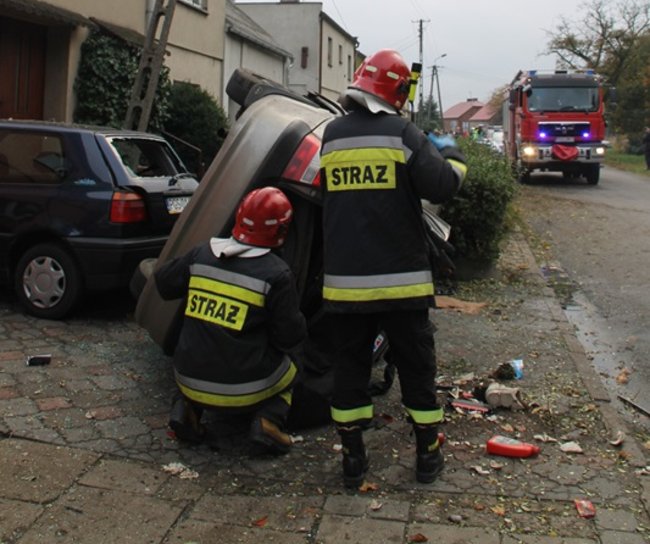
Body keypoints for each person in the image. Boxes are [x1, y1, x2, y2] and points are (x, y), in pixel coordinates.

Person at [319, 49, 467, 489]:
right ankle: (426, 457)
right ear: (397, 92)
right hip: (401, 286)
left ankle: (352, 461)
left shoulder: (331, 136)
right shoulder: (402, 134)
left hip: (345, 288)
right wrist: (452, 154)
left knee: (348, 371)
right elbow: (441, 184)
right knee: (417, 369)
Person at [154, 186, 306, 456]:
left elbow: (164, 283)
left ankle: (185, 408)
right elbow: (289, 336)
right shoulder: (277, 274)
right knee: (295, 360)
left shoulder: (201, 254)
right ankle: (269, 419)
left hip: (186, 378)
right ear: (282, 230)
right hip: (246, 390)